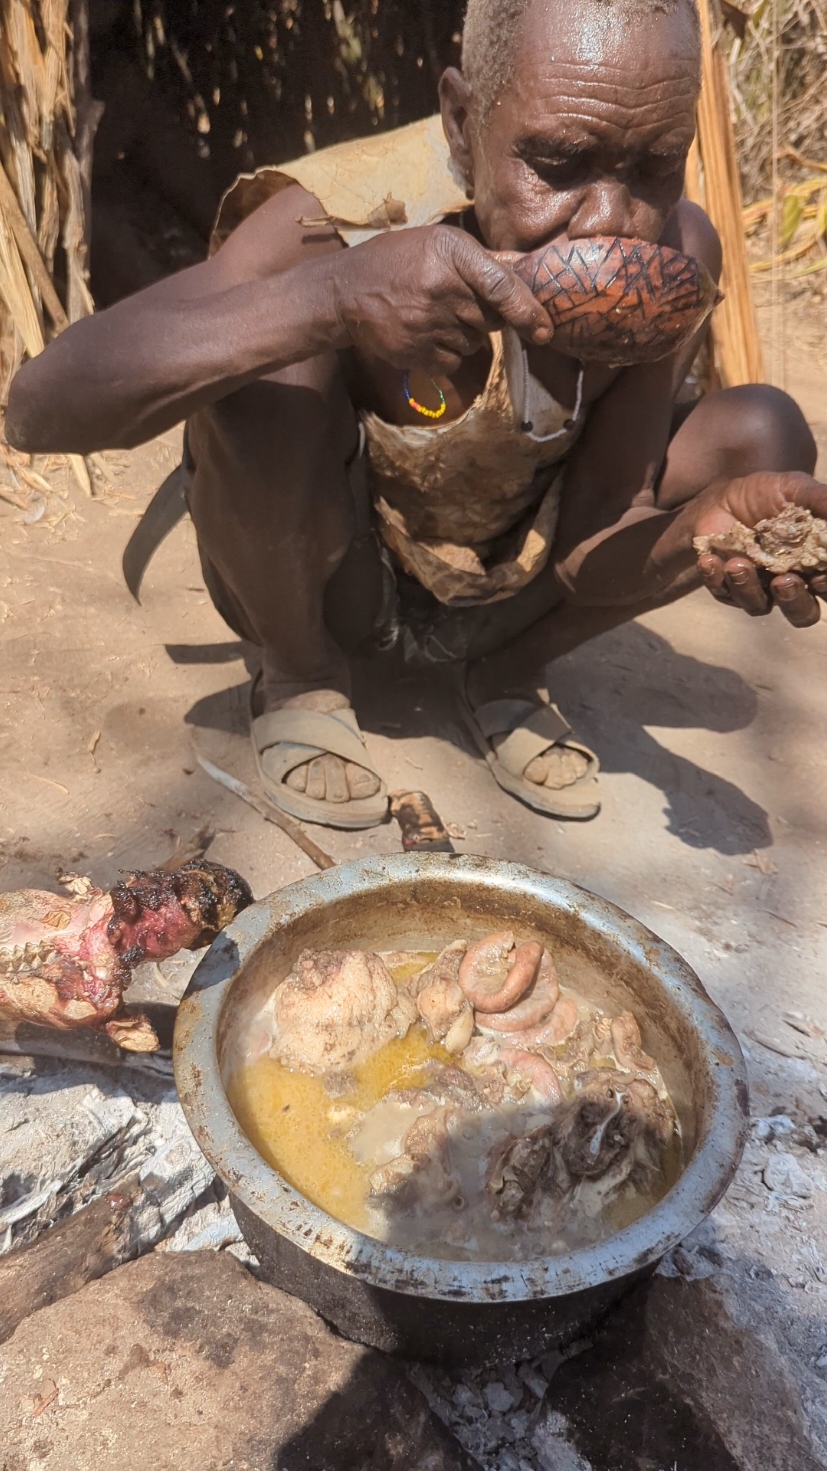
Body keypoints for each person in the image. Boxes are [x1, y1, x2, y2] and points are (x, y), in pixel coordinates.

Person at [8, 0, 826, 829]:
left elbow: (588, 550)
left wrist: (696, 536)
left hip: (507, 582)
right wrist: (326, 300)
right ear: (463, 121)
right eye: (558, 162)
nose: (614, 222)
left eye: (655, 165)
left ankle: (504, 673)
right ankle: (298, 677)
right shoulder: (334, 223)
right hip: (336, 581)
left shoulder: (670, 261)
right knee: (270, 358)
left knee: (765, 437)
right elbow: (36, 411)